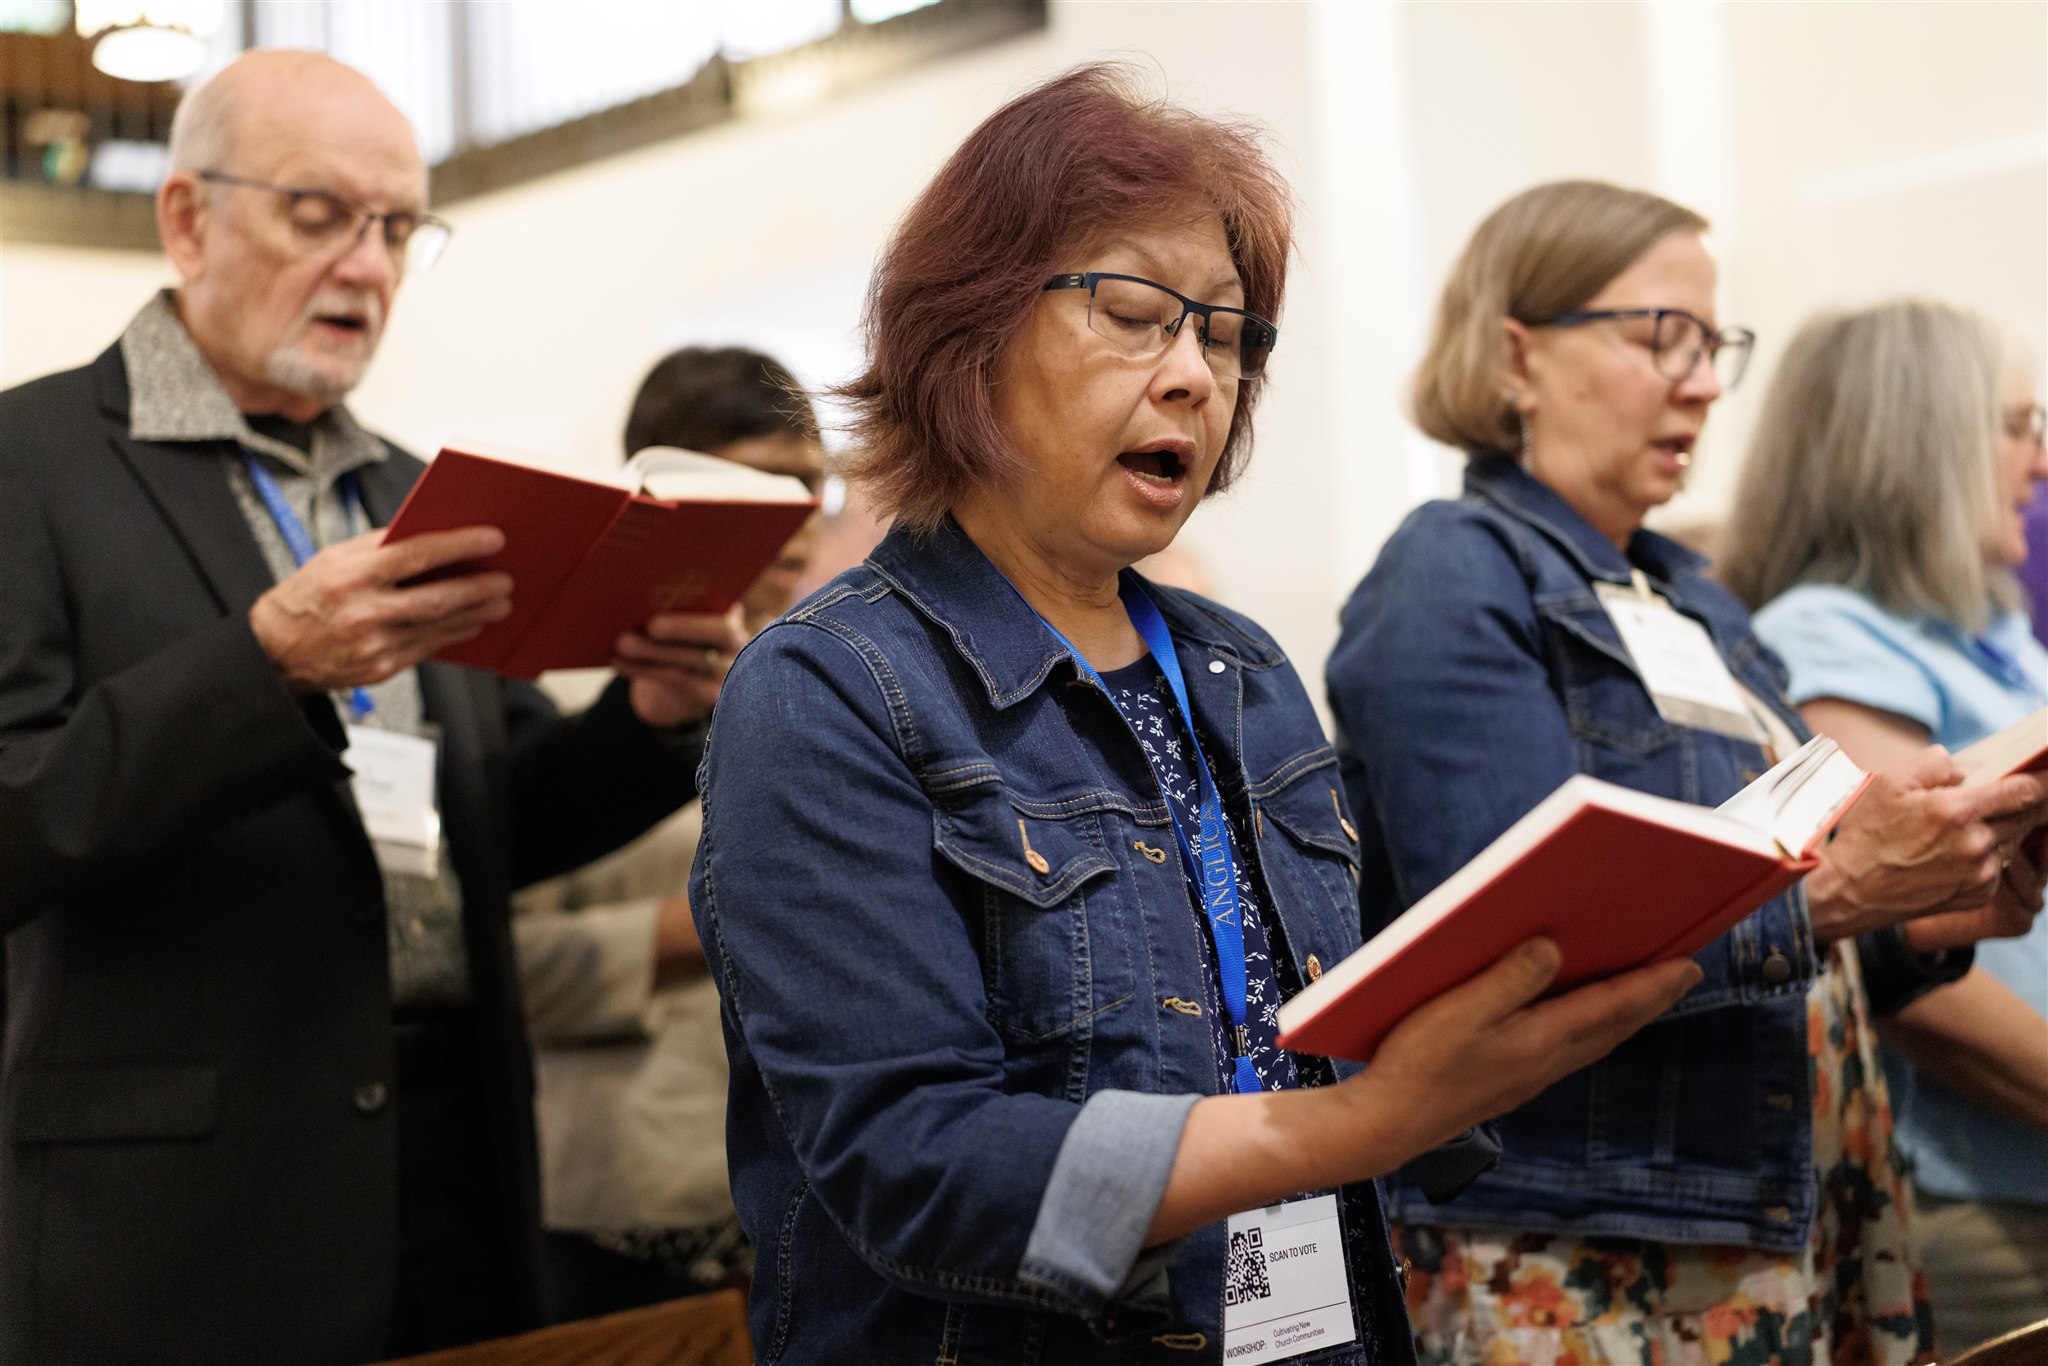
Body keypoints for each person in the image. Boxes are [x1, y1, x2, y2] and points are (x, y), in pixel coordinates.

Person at [688, 69, 1700, 1366]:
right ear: (970, 332)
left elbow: (1306, 1023)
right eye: (1132, 314)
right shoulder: (827, 688)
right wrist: (1361, 1123)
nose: (1192, 376)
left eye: (1224, 336)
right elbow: (918, 1162)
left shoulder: (1241, 667)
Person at [0, 51, 740, 1365]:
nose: (369, 264)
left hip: (456, 1157)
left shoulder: (414, 489)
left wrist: (653, 717)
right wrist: (264, 664)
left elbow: (495, 817)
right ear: (187, 217)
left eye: (399, 226)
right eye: (318, 213)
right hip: (182, 1202)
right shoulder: (32, 466)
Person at [1325, 181, 2048, 1366]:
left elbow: (1789, 925)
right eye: (1663, 336)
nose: (1705, 381)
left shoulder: (1691, 597)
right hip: (1591, 1246)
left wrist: (1925, 912)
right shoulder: (1449, 576)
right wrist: (1840, 894)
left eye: (1714, 346)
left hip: (1788, 1210)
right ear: (1517, 356)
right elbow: (1515, 946)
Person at [1727, 299, 2048, 1353]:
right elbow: (1890, 944)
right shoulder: (1823, 634)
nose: (2036, 462)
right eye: (2013, 426)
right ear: (1920, 446)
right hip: (1983, 1196)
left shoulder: (1986, 627)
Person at [514, 345, 825, 1321]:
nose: (802, 518)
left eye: (815, 483)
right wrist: (689, 934)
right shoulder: (560, 687)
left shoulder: (835, 667)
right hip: (629, 1191)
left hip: (820, 1175)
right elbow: (489, 963)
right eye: (769, 488)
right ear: (670, 489)